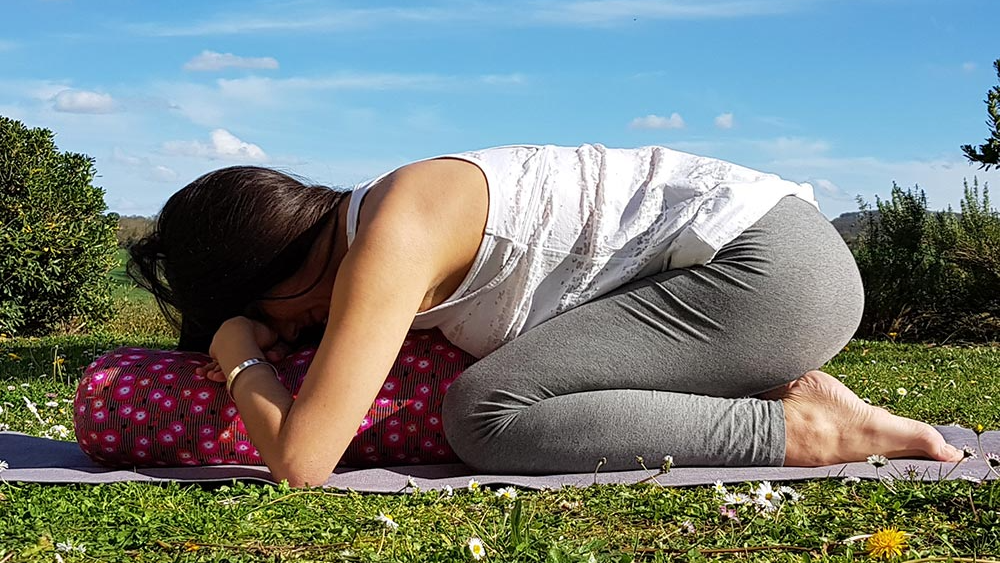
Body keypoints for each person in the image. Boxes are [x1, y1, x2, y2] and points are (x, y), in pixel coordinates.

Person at [129, 143, 963, 487]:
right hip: (773, 264)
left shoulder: (389, 238)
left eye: (266, 313)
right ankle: (787, 400)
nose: (288, 332)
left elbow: (303, 459)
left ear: (266, 272)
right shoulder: (386, 210)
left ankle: (804, 431)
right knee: (501, 393)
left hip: (770, 273)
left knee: (483, 413)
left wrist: (237, 351)